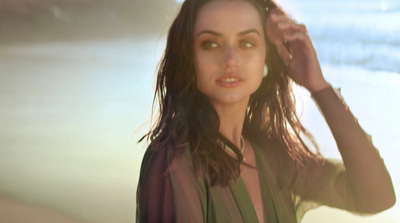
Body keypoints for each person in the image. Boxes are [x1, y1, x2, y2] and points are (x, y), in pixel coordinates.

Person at [136, 0, 396, 222]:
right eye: (210, 44)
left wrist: (318, 86)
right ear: (189, 57)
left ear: (266, 58)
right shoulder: (174, 161)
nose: (230, 59)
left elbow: (376, 196)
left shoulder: (273, 157)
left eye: (247, 43)